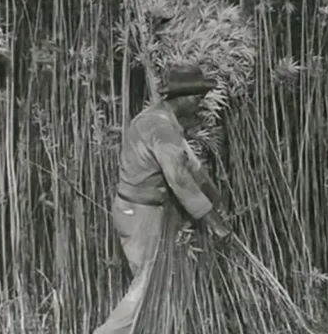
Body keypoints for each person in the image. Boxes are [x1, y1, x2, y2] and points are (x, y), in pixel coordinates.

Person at [94, 65, 231, 334]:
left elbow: (191, 166)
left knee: (158, 288)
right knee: (147, 288)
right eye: (198, 98)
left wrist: (216, 200)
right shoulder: (159, 127)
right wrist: (214, 222)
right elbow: (180, 179)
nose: (200, 104)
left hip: (142, 212)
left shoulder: (162, 121)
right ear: (182, 97)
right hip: (140, 214)